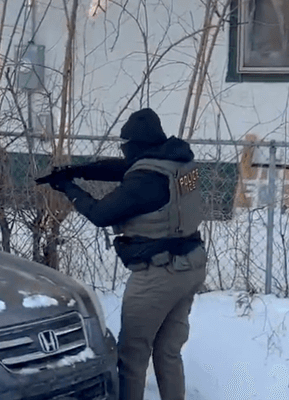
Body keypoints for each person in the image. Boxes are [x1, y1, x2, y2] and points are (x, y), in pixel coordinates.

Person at [39, 108, 207, 400]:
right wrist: (79, 170)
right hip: (190, 264)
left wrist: (68, 188)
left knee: (132, 355)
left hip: (158, 273)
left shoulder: (146, 182)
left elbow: (101, 214)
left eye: (125, 146)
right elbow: (128, 169)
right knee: (168, 352)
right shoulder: (180, 163)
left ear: (134, 145)